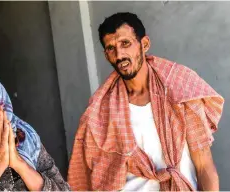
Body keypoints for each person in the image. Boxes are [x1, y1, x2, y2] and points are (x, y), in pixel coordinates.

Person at [68, 12, 224, 191]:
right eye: (111, 48)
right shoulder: (101, 111)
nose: (119, 55)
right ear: (106, 55)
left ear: (144, 44)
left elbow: (204, 166)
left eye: (125, 44)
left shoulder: (180, 90)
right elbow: (94, 177)